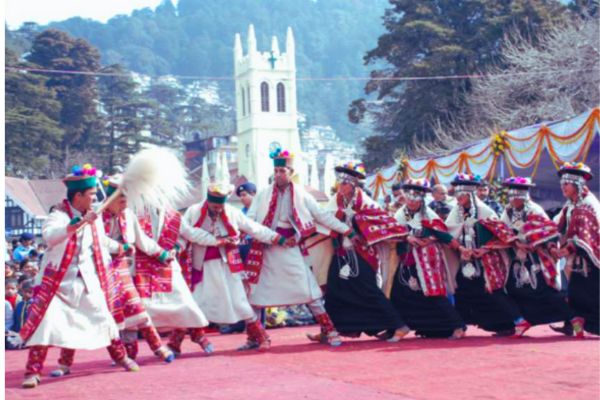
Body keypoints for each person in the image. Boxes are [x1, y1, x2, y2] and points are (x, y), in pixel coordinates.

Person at [12, 164, 138, 389]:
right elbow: (51, 237)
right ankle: (32, 372)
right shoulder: (57, 215)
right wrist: (77, 224)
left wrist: (121, 247)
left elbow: (101, 242)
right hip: (58, 285)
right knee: (47, 324)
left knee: (104, 319)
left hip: (88, 280)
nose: (94, 198)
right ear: (78, 196)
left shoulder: (95, 217)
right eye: (91, 195)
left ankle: (121, 358)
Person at [246, 148, 355, 346]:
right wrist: (257, 235)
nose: (278, 174)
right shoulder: (262, 194)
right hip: (266, 248)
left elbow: (322, 216)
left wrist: (347, 230)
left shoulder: (302, 195)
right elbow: (251, 219)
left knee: (310, 291)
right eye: (276, 171)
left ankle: (330, 332)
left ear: (291, 172)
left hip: (291, 247)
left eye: (283, 171)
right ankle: (256, 337)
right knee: (255, 293)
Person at [184, 182, 286, 351]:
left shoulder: (231, 212)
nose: (218, 210)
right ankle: (178, 342)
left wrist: (277, 238)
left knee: (240, 302)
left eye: (220, 206)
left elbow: (253, 228)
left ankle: (261, 337)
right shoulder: (193, 212)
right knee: (195, 302)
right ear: (208, 201)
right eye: (215, 206)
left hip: (228, 264)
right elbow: (184, 232)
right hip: (201, 266)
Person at [322, 162, 410, 342]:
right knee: (334, 291)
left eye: (345, 183)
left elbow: (383, 222)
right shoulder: (336, 200)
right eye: (340, 182)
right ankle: (331, 329)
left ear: (354, 185)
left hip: (363, 254)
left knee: (368, 291)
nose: (341, 186)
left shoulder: (366, 203)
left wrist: (356, 222)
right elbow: (325, 218)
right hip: (342, 253)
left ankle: (399, 326)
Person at [445, 174, 530, 337]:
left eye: (461, 194)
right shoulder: (455, 212)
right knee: (463, 291)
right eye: (456, 194)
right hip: (466, 260)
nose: (458, 198)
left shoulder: (485, 211)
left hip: (488, 260)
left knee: (494, 291)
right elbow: (451, 231)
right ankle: (459, 325)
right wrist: (462, 248)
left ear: (469, 194)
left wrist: (484, 249)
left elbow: (501, 235)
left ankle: (518, 320)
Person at [500, 177, 582, 335]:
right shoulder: (508, 210)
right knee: (515, 289)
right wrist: (517, 243)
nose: (513, 200)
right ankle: (520, 321)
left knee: (546, 292)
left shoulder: (534, 210)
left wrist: (533, 243)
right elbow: (505, 231)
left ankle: (574, 320)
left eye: (516, 196)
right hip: (518, 258)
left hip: (538, 258)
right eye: (511, 196)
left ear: (523, 197)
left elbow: (549, 233)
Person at [135, 204, 214, 357]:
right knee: (141, 310)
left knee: (185, 303)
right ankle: (127, 354)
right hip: (142, 265)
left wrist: (216, 241)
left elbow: (188, 234)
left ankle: (196, 334)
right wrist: (159, 252)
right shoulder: (135, 210)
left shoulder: (173, 214)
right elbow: (138, 238)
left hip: (168, 265)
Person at [391, 179, 465, 339]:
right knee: (399, 292)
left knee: (434, 293)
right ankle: (398, 327)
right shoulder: (400, 213)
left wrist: (459, 248)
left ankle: (458, 326)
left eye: (415, 199)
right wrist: (407, 237)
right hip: (408, 258)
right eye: (408, 199)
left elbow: (443, 234)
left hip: (427, 259)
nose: (411, 202)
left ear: (421, 200)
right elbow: (394, 230)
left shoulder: (428, 214)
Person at [552, 163, 599, 336]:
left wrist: (568, 249)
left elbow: (587, 236)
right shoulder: (570, 205)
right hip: (579, 257)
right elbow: (556, 226)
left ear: (577, 185)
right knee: (576, 293)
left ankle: (588, 325)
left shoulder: (587, 204)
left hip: (592, 257)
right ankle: (571, 325)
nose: (563, 187)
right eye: (562, 183)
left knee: (590, 294)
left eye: (567, 184)